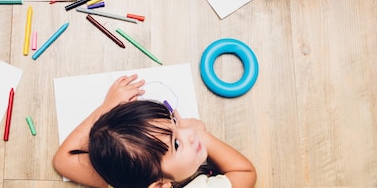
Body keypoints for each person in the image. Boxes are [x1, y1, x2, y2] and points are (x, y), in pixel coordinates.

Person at [52, 75, 256, 188]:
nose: (189, 132)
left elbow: (63, 160)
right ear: (160, 186)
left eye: (173, 120)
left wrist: (106, 107)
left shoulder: (124, 176)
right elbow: (245, 173)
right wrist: (204, 137)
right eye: (176, 144)